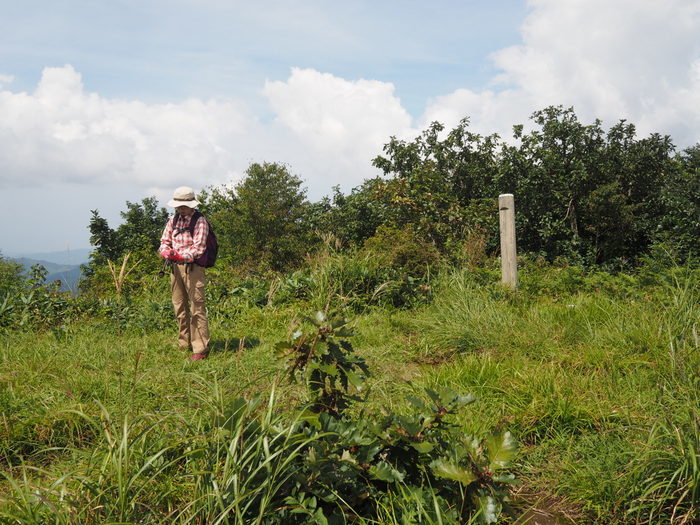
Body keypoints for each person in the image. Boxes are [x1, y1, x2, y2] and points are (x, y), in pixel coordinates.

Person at [159, 186, 211, 360]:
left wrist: (182, 255)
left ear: (191, 204)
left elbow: (199, 248)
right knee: (179, 305)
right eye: (178, 205)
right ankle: (184, 342)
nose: (181, 208)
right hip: (175, 267)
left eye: (184, 205)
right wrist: (166, 252)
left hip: (193, 267)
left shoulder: (200, 221)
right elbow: (165, 240)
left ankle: (200, 349)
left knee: (197, 306)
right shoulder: (173, 220)